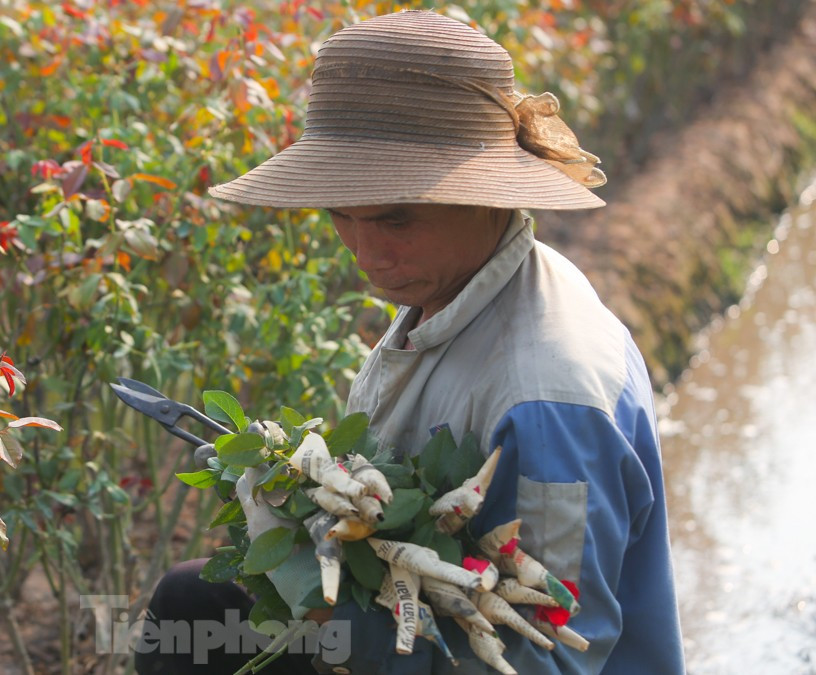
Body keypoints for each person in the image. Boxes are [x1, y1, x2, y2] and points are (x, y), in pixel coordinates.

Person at [135, 9, 685, 674]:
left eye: (396, 220)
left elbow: (541, 662)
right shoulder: (461, 286)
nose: (366, 253)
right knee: (191, 606)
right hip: (413, 627)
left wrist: (314, 595)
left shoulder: (545, 405)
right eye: (342, 215)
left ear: (484, 197)